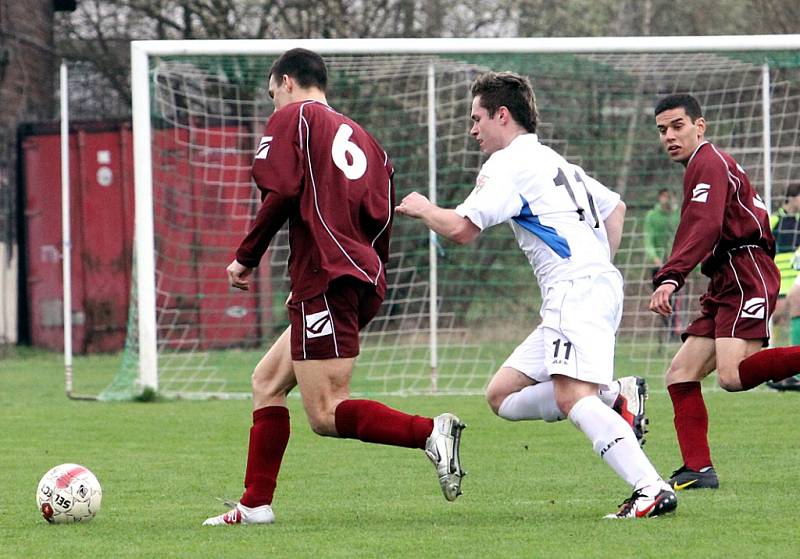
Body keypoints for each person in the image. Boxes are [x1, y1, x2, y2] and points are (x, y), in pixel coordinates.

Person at [397, 71, 677, 519]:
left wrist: (422, 207)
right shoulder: (555, 161)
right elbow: (616, 208)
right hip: (593, 286)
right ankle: (615, 398)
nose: (472, 129)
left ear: (501, 116)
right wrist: (595, 260)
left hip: (575, 290)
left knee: (572, 397)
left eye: (476, 118)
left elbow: (462, 230)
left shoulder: (507, 164)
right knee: (503, 396)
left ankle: (650, 488)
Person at [203, 48, 465, 526]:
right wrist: (363, 275)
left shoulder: (294, 119)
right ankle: (255, 504)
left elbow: (282, 191)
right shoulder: (369, 143)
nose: (272, 107)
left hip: (327, 275)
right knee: (266, 381)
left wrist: (246, 257)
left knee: (325, 412)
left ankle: (431, 431)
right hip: (354, 274)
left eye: (271, 96)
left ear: (285, 82)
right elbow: (381, 216)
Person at [650, 93, 800, 490]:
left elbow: (705, 224)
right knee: (680, 373)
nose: (669, 136)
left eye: (678, 126)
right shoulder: (704, 165)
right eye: (662, 129)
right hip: (727, 275)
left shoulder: (708, 162)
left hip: (744, 270)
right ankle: (698, 469)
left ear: (700, 126)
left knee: (732, 376)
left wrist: (671, 275)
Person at [767, 184, 800, 391]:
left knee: (791, 318)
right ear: (792, 198)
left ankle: (791, 368)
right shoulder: (774, 220)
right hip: (779, 278)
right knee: (776, 320)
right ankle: (778, 365)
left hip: (795, 277)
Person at [644, 188, 681, 339]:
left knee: (677, 299)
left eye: (670, 196)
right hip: (659, 265)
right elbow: (648, 239)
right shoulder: (652, 216)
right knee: (660, 298)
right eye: (664, 196)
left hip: (676, 264)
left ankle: (675, 331)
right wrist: (654, 257)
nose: (667, 199)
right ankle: (668, 331)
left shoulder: (678, 215)